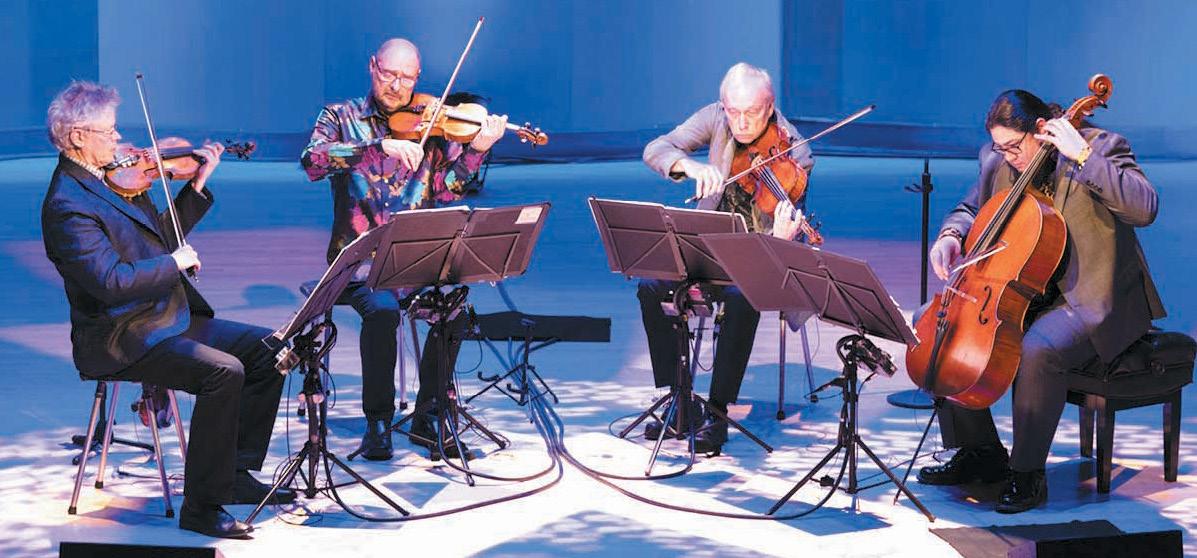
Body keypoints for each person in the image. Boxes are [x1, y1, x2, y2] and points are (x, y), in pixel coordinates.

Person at [41, 81, 293, 539]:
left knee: (269, 350)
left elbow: (157, 237)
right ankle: (202, 506)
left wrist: (196, 185)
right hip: (122, 336)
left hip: (162, 317)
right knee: (223, 373)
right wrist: (173, 264)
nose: (119, 140)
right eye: (109, 131)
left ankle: (235, 474)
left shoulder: (112, 179)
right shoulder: (67, 204)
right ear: (77, 136)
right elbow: (111, 282)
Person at [915, 89, 1164, 513]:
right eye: (1000, 148)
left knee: (1038, 348)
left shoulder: (1101, 147)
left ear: (1041, 129)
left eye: (1014, 146)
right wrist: (951, 236)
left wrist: (1083, 156)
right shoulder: (998, 160)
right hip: (1026, 290)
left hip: (1088, 296)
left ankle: (1027, 473)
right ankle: (980, 451)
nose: (1008, 156)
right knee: (937, 322)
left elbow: (1145, 208)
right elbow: (969, 208)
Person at [300, 38, 507, 460]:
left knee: (455, 308)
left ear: (418, 78)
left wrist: (477, 151)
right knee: (382, 311)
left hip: (413, 260)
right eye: (389, 74)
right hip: (357, 264)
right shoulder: (340, 116)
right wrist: (376, 147)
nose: (397, 86)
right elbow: (311, 162)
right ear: (372, 66)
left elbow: (448, 190)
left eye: (407, 78)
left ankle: (428, 418)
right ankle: (377, 422)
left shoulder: (431, 123)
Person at [640, 63, 813, 454]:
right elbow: (656, 149)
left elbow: (791, 237)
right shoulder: (717, 117)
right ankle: (679, 399)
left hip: (761, 258)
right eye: (734, 112)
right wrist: (689, 165)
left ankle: (717, 413)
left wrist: (782, 238)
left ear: (770, 107)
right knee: (651, 286)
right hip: (709, 249)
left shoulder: (797, 151)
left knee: (741, 298)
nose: (742, 122)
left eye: (752, 113)